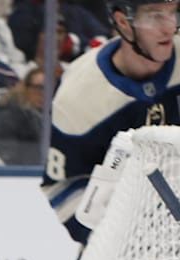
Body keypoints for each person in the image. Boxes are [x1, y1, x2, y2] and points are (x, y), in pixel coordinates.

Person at [44, 0, 180, 244]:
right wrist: (120, 238)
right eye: (155, 16)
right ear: (123, 22)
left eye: (173, 12)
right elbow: (61, 189)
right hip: (128, 243)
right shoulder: (77, 96)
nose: (169, 27)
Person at [0, 65, 46, 165]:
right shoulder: (6, 116)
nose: (43, 93)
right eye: (38, 88)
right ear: (25, 88)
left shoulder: (51, 120)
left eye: (49, 88)